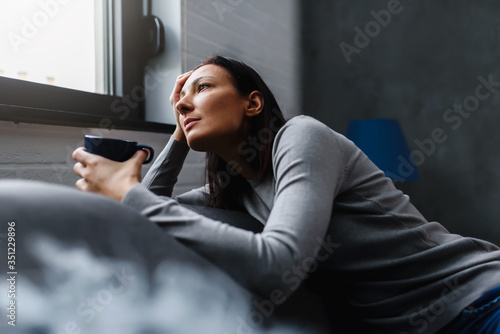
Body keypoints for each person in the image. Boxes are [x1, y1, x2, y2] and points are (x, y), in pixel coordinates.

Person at [72, 55, 500, 333]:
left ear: (252, 103)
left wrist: (126, 189)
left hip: (482, 301)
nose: (183, 104)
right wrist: (179, 138)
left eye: (201, 88)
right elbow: (148, 214)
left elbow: (279, 264)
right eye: (179, 99)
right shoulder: (235, 191)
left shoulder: (301, 135)